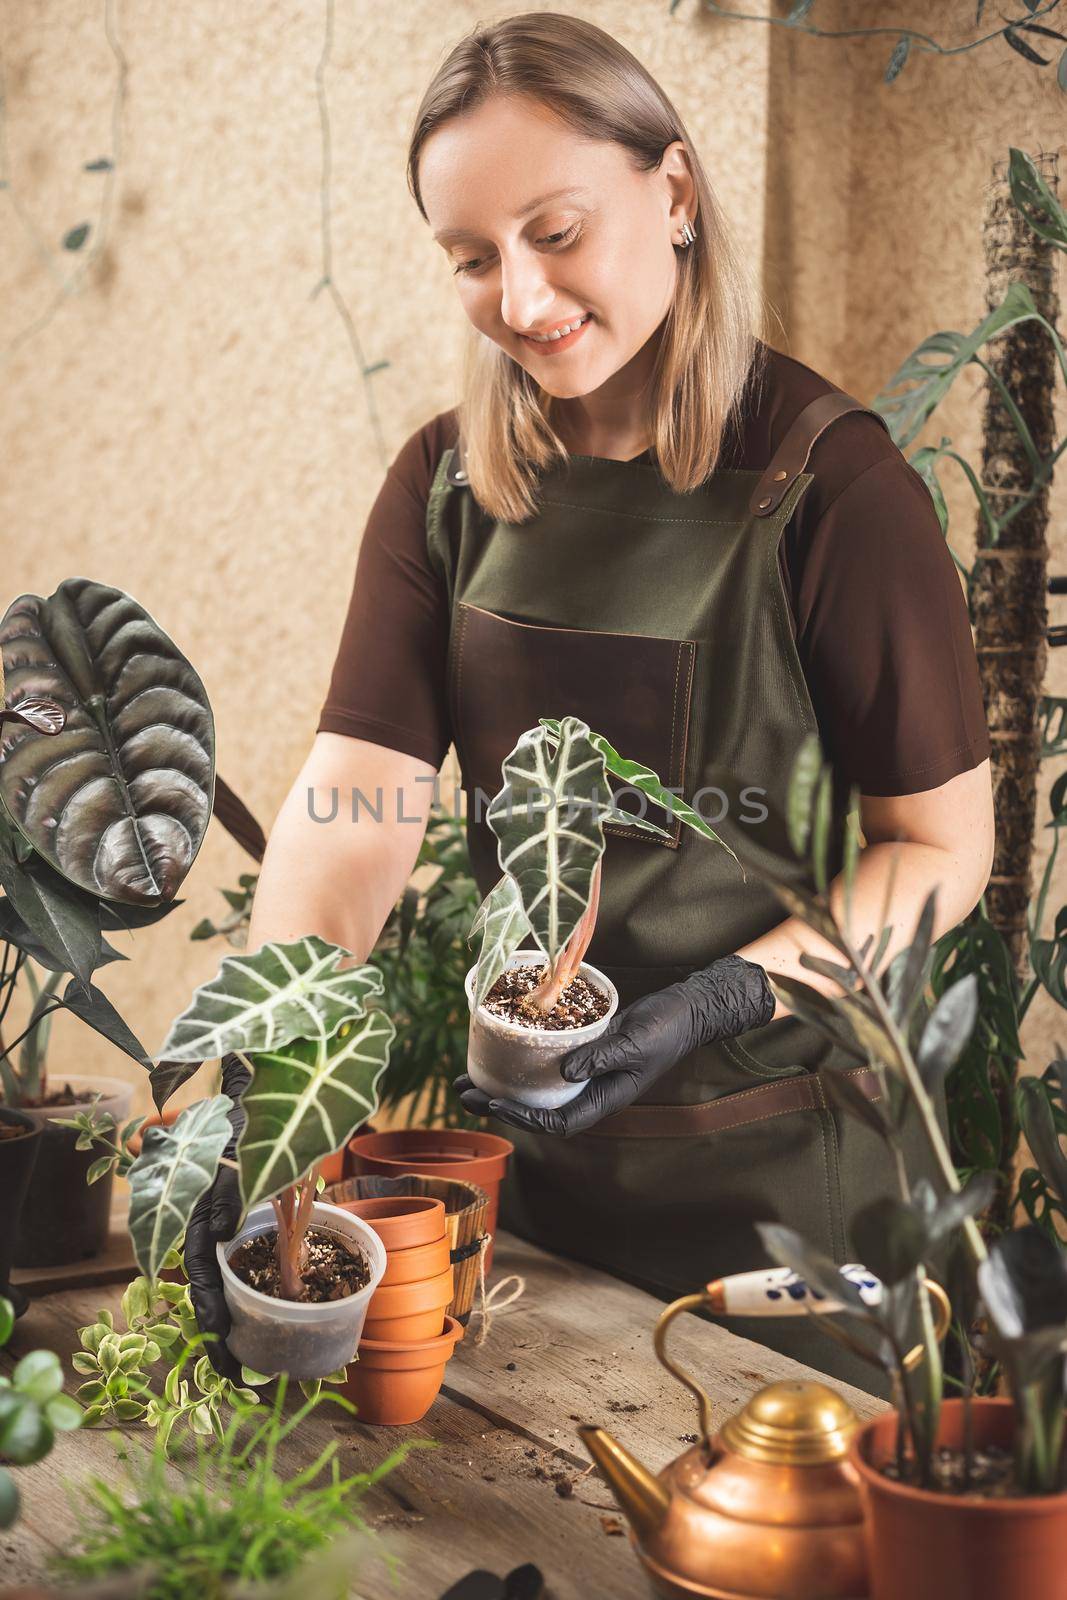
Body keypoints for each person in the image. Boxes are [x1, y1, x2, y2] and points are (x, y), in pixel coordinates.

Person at [187, 13, 994, 1390]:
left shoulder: (830, 488)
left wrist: (721, 998)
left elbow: (941, 851)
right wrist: (274, 1078)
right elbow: (356, 810)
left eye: (555, 232)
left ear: (672, 194)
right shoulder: (447, 487)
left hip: (795, 1205)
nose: (519, 294)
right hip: (542, 1191)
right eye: (471, 257)